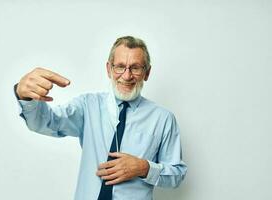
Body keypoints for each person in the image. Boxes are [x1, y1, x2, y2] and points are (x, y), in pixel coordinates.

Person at [14, 36, 187, 200]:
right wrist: (25, 97)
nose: (127, 76)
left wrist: (144, 168)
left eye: (135, 67)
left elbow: (177, 174)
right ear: (109, 69)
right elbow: (46, 122)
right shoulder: (87, 106)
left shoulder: (163, 119)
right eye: (120, 66)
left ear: (147, 73)